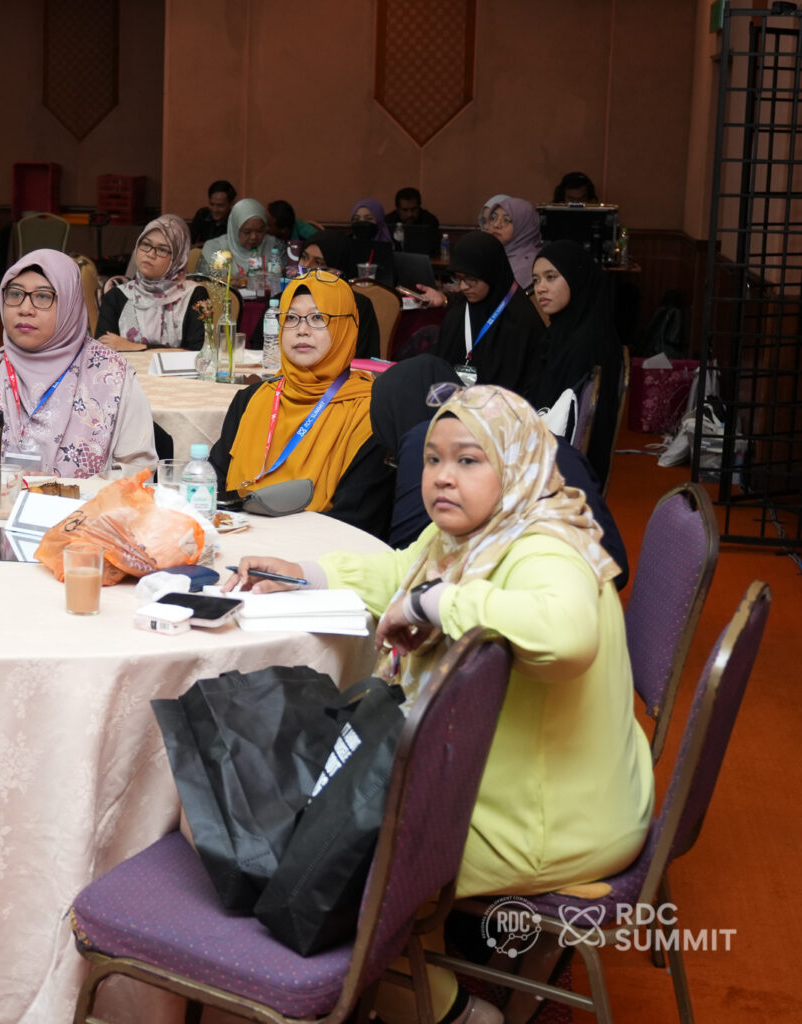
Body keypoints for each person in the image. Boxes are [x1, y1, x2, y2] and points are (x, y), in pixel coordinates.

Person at [225, 384, 652, 1024]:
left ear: (517, 462)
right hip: (540, 786)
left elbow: (566, 637)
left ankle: (446, 1011)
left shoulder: (545, 546)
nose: (443, 477)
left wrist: (433, 603)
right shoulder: (482, 531)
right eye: (432, 459)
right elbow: (403, 572)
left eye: (468, 459)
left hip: (551, 817)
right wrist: (303, 573)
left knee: (311, 855)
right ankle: (422, 979)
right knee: (308, 812)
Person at [371, 355, 627, 583]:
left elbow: (408, 562)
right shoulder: (531, 432)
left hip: (541, 598)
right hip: (600, 583)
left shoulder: (427, 442)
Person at [0, 249, 156, 478]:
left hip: (85, 502)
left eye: (42, 297)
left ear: (70, 304)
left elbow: (140, 470)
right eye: (15, 294)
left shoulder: (113, 376)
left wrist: (61, 490)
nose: (24, 309)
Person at [207, 270, 391, 535]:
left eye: (318, 318)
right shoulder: (252, 398)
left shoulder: (370, 411)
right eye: (291, 318)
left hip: (319, 547)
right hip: (238, 536)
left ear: (345, 327)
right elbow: (215, 487)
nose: (302, 331)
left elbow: (358, 519)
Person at [527, 240, 624, 484]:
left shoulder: (586, 342)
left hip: (563, 470)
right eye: (536, 280)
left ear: (576, 278)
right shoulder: (565, 330)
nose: (540, 288)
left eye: (551, 277)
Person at [418, 231, 543, 393]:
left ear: (491, 273)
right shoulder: (460, 311)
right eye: (458, 278)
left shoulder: (520, 321)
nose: (463, 286)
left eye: (472, 279)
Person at [95, 214, 209, 352]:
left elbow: (198, 353)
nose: (150, 254)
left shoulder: (193, 295)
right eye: (146, 244)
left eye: (162, 249)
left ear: (177, 258)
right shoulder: (117, 295)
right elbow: (101, 351)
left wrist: (134, 347)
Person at [297, 231, 381, 360]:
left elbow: (363, 359)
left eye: (318, 263)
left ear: (339, 269)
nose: (306, 266)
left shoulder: (357, 306)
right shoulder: (285, 299)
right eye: (304, 257)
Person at [198, 198, 285, 290]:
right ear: (235, 229)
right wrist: (223, 284)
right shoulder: (214, 248)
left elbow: (287, 280)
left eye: (260, 231)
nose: (254, 237)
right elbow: (202, 284)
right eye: (247, 232)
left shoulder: (275, 245)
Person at [483, 196, 543, 290]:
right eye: (493, 218)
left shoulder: (527, 265)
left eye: (506, 220)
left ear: (523, 227)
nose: (496, 225)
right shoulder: (494, 253)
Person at [346, 198, 396, 287]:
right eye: (356, 219)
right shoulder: (345, 245)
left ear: (379, 220)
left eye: (368, 219)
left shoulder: (393, 247)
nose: (362, 222)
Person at [188, 179, 236, 246]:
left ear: (231, 204)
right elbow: (189, 241)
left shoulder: (235, 221)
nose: (214, 209)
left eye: (220, 205)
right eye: (211, 204)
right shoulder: (202, 214)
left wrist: (204, 245)